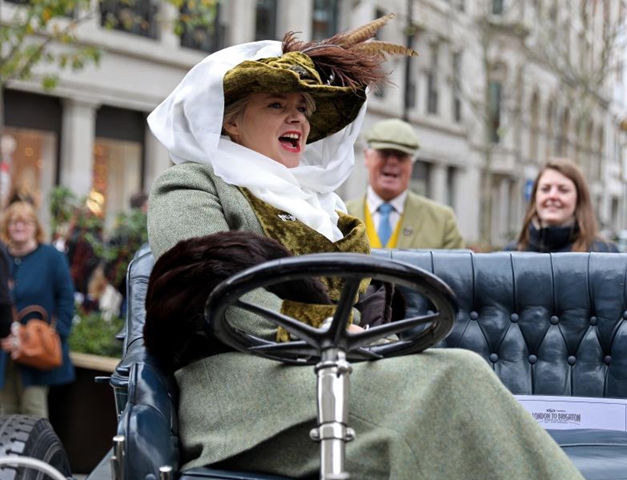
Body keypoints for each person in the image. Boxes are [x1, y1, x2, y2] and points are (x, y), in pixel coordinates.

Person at [144, 15, 584, 480]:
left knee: (459, 368)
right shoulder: (192, 183)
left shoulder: (323, 208)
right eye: (277, 104)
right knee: (455, 380)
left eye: (304, 108)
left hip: (333, 372)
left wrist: (371, 342)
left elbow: (365, 304)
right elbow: (207, 291)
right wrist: (328, 332)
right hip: (243, 392)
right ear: (230, 122)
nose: (298, 118)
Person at [0, 201, 75, 418]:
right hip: (5, 349)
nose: (19, 226)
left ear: (35, 226)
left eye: (26, 221)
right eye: (14, 221)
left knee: (33, 414)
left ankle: (34, 454)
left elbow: (66, 299)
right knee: (5, 415)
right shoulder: (3, 257)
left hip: (36, 349)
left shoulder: (51, 257)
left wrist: (56, 335)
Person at [346, 118, 466, 249]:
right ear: (366, 157)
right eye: (384, 154)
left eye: (401, 156)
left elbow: (457, 268)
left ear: (412, 163)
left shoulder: (442, 221)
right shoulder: (339, 215)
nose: (392, 162)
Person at [508, 158, 618, 253]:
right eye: (545, 189)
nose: (552, 196)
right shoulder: (512, 254)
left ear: (579, 199)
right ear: (535, 197)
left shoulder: (605, 254)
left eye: (563, 190)